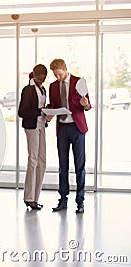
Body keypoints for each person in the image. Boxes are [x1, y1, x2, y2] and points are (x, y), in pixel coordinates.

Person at [48, 58, 91, 214]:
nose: (58, 78)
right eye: (55, 75)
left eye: (59, 74)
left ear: (65, 69)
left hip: (77, 128)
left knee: (80, 166)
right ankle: (63, 199)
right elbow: (52, 105)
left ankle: (80, 201)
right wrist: (49, 114)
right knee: (62, 165)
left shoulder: (79, 82)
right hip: (62, 130)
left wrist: (85, 103)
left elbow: (88, 105)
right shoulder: (53, 86)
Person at [18, 64, 51, 210]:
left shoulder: (43, 89)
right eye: (40, 77)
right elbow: (22, 111)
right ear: (35, 75)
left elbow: (41, 108)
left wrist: (47, 111)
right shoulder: (28, 90)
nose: (42, 79)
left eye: (44, 77)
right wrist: (40, 111)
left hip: (42, 125)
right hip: (31, 126)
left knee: (42, 161)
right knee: (33, 159)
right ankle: (28, 197)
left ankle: (35, 197)